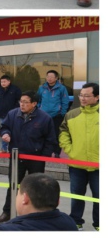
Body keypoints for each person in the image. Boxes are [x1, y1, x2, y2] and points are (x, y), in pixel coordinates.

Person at [0, 90, 56, 223]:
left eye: (25, 102)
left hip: (36, 158)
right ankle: (8, 211)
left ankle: (36, 214)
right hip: (16, 157)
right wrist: (5, 133)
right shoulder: (13, 114)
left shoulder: (44, 118)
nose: (22, 104)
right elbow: (4, 127)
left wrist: (43, 156)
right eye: (21, 101)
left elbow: (50, 140)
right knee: (13, 185)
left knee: (37, 186)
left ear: (34, 103)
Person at [59, 82, 99, 231]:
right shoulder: (72, 114)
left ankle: (99, 224)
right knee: (76, 195)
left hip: (99, 166)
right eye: (81, 95)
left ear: (97, 97)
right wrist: (70, 150)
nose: (82, 98)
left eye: (87, 96)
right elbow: (63, 133)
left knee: (100, 197)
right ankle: (76, 222)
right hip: (76, 164)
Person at [36, 69, 69, 156]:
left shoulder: (61, 88)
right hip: (43, 115)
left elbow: (65, 101)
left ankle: (56, 152)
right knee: (43, 133)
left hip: (57, 115)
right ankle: (46, 151)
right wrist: (38, 109)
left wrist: (62, 113)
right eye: (48, 76)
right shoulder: (42, 88)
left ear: (56, 78)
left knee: (56, 134)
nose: (49, 78)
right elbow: (38, 100)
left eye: (51, 77)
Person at [0, 74, 22, 152]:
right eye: (1, 82)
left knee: (14, 131)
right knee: (4, 131)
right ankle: (4, 148)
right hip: (2, 114)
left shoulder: (15, 89)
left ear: (9, 81)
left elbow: (19, 101)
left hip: (13, 115)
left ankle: (15, 148)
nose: (3, 83)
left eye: (4, 81)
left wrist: (15, 110)